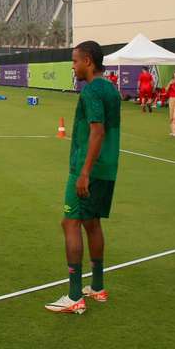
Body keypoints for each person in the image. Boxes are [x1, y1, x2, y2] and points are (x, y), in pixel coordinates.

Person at [45, 41, 120, 314]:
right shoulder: (111, 87)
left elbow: (97, 132)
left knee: (70, 222)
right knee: (92, 222)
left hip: (88, 168)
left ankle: (75, 295)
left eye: (75, 61)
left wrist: (84, 172)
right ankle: (97, 287)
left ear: (88, 61)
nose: (73, 66)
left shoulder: (91, 91)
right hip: (108, 167)